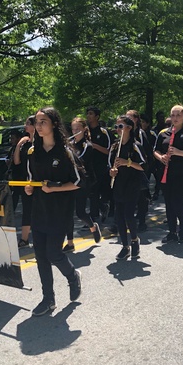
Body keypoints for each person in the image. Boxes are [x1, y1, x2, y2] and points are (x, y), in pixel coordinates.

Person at [24, 107, 83, 316]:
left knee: (53, 253)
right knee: (40, 256)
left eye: (43, 122)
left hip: (60, 210)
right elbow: (31, 179)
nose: (38, 126)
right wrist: (29, 187)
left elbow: (77, 182)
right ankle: (48, 299)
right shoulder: (33, 151)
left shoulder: (65, 152)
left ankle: (72, 276)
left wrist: (55, 186)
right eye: (36, 122)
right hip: (39, 209)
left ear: (54, 124)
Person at [154, 105, 183, 243]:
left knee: (177, 202)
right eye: (173, 115)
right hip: (166, 172)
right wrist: (161, 157)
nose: (175, 118)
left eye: (178, 115)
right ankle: (172, 231)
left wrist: (179, 152)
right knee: (168, 203)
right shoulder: (163, 133)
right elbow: (155, 150)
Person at [109, 116, 147, 260]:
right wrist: (111, 171)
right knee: (119, 217)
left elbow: (143, 165)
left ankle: (134, 240)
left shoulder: (135, 145)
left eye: (121, 126)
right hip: (118, 184)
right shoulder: (114, 146)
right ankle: (125, 246)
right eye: (117, 126)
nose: (117, 129)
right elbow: (110, 165)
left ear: (129, 128)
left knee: (129, 215)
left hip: (132, 184)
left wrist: (128, 162)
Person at [64, 117, 102, 253]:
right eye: (73, 129)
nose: (75, 132)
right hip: (69, 181)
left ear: (84, 130)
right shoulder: (70, 144)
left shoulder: (88, 146)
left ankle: (93, 226)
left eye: (78, 129)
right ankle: (69, 243)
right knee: (67, 212)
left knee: (80, 212)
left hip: (83, 182)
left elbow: (79, 160)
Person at [86, 106, 111, 222]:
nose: (88, 116)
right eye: (87, 114)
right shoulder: (85, 132)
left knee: (100, 191)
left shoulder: (104, 132)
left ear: (97, 116)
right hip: (88, 166)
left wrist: (94, 146)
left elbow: (109, 150)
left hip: (101, 166)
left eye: (91, 114)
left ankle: (103, 206)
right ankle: (93, 217)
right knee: (92, 193)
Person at [13, 116, 35, 247]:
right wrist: (19, 145)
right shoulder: (25, 143)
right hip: (24, 180)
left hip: (36, 181)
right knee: (26, 209)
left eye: (28, 123)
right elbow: (17, 161)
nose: (25, 125)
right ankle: (24, 238)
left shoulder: (40, 142)